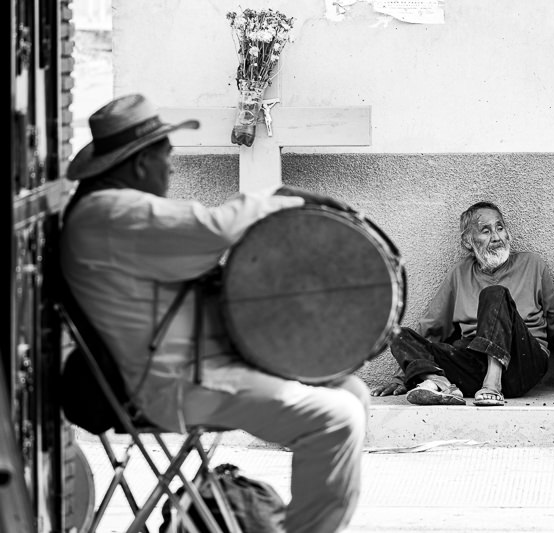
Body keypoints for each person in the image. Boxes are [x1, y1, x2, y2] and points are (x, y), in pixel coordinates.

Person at [60, 94, 368, 533]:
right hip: (173, 384)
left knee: (350, 391)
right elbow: (213, 231)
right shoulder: (111, 213)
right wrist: (285, 198)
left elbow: (196, 249)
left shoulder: (110, 210)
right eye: (166, 158)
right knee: (337, 417)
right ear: (138, 162)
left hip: (201, 368)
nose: (171, 168)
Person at [371, 201, 554, 406]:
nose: (497, 236)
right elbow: (431, 328)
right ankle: (439, 383)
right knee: (399, 334)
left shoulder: (533, 264)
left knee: (495, 294)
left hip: (523, 363)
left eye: (500, 228)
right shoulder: (459, 274)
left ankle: (493, 384)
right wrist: (405, 375)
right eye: (486, 231)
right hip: (474, 365)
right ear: (468, 241)